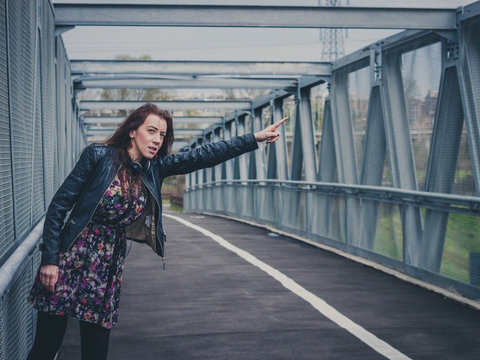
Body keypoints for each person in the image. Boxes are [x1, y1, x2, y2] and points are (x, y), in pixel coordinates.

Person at [26, 102, 288, 360]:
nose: (157, 140)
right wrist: (50, 259)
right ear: (132, 131)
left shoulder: (155, 168)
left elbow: (205, 155)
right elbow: (60, 205)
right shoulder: (98, 156)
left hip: (106, 268)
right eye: (151, 131)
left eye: (162, 135)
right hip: (70, 258)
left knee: (95, 352)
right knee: (46, 347)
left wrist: (255, 138)